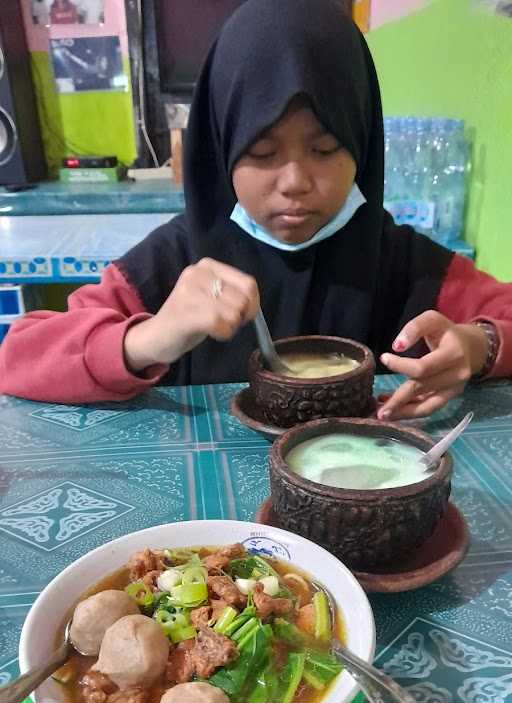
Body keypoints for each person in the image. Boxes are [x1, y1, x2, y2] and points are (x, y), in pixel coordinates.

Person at [1, 0, 511, 418]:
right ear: (222, 148)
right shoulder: (176, 263)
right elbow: (18, 356)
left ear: (362, 142)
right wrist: (151, 338)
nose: (295, 183)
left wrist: (478, 345)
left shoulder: (401, 262)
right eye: (262, 153)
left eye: (327, 148)